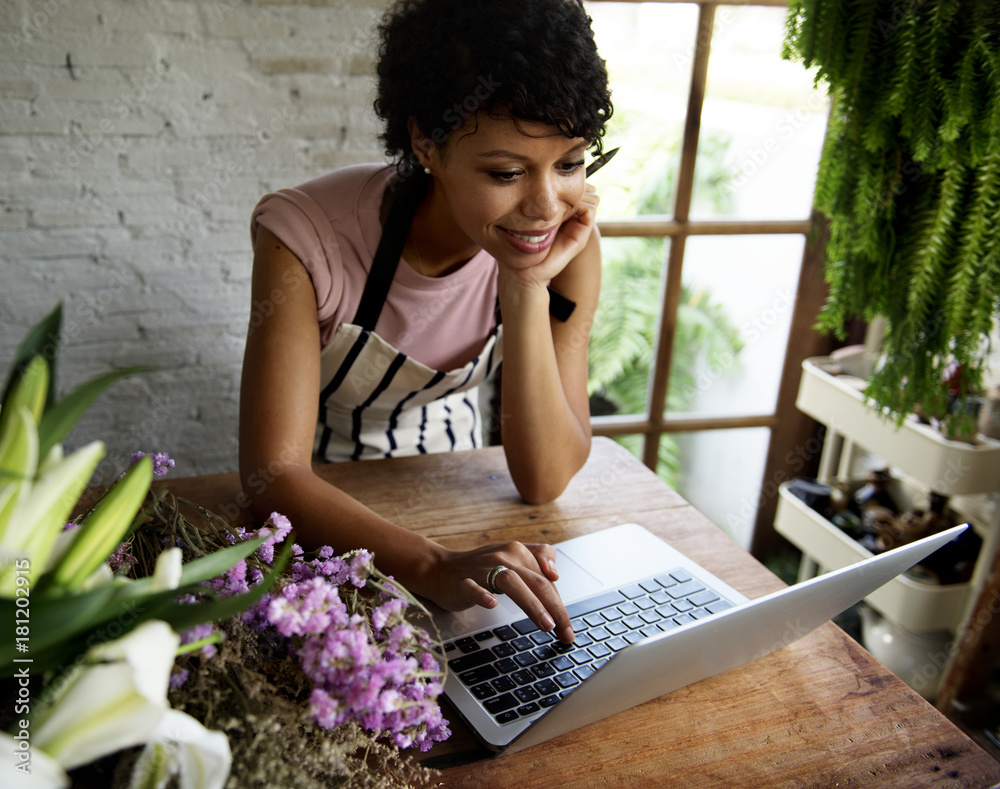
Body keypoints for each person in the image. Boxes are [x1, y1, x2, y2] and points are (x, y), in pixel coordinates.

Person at [239, 0, 613, 643]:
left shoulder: (563, 248)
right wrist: (431, 562)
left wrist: (525, 289)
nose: (546, 206)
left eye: (571, 163)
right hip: (334, 512)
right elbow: (271, 480)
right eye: (506, 172)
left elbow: (544, 480)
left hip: (468, 491)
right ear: (425, 144)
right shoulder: (305, 240)